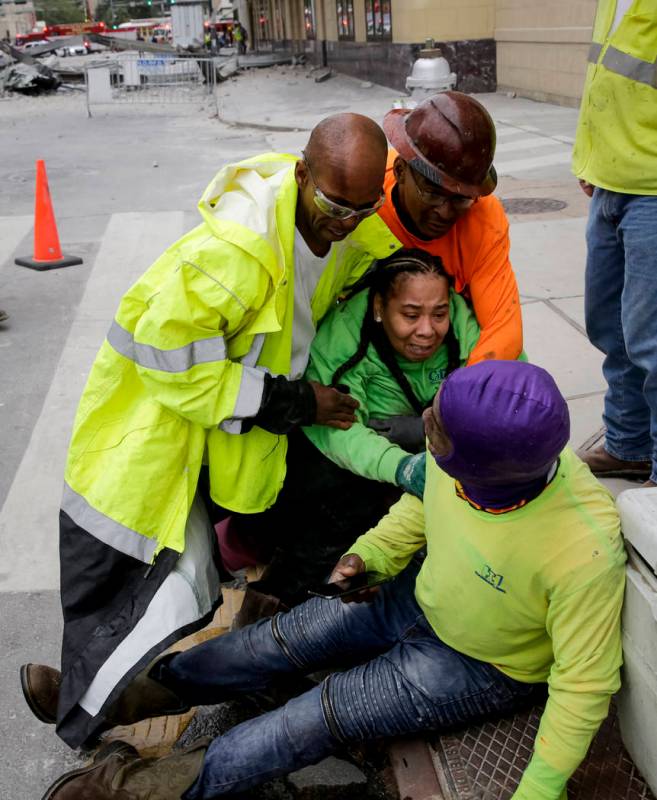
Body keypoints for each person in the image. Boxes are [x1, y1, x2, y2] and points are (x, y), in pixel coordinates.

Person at [40, 360, 626, 800]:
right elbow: (423, 503)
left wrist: (537, 792)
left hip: (480, 664)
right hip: (412, 596)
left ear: (481, 468)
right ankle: (103, 697)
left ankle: (139, 792)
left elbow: (583, 687)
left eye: (438, 432)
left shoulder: (583, 550)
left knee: (313, 716)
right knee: (269, 643)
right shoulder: (477, 452)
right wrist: (370, 557)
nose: (425, 425)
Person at [20, 113, 393, 751]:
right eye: (335, 202)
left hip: (239, 434)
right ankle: (95, 704)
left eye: (364, 205)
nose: (346, 219)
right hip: (164, 434)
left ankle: (103, 693)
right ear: (303, 174)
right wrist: (295, 401)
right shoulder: (236, 251)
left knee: (196, 569)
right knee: (150, 573)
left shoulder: (353, 232)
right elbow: (166, 356)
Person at [225, 247, 481, 609]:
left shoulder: (464, 325)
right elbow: (339, 432)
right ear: (379, 308)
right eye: (410, 315)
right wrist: (401, 466)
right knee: (336, 506)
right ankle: (271, 600)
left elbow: (502, 389)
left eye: (439, 313)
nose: (427, 330)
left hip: (423, 458)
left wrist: (419, 436)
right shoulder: (345, 338)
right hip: (344, 466)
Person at [572, 0, 657, 486]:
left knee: (651, 340)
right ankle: (628, 445)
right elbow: (607, 78)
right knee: (610, 326)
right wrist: (591, 156)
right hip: (609, 181)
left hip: (651, 187)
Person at [373, 91, 522, 365]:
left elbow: (504, 328)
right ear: (400, 171)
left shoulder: (483, 216)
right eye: (432, 193)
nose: (444, 211)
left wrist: (461, 396)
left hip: (451, 353)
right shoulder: (366, 201)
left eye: (460, 199)